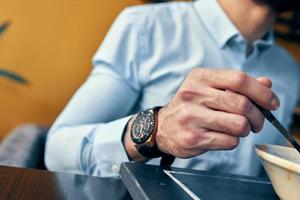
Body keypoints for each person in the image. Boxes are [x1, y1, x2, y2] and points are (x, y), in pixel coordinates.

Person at [45, 0, 300, 177]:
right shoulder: (145, 27)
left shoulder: (290, 70)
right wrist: (158, 129)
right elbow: (57, 150)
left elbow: (273, 169)